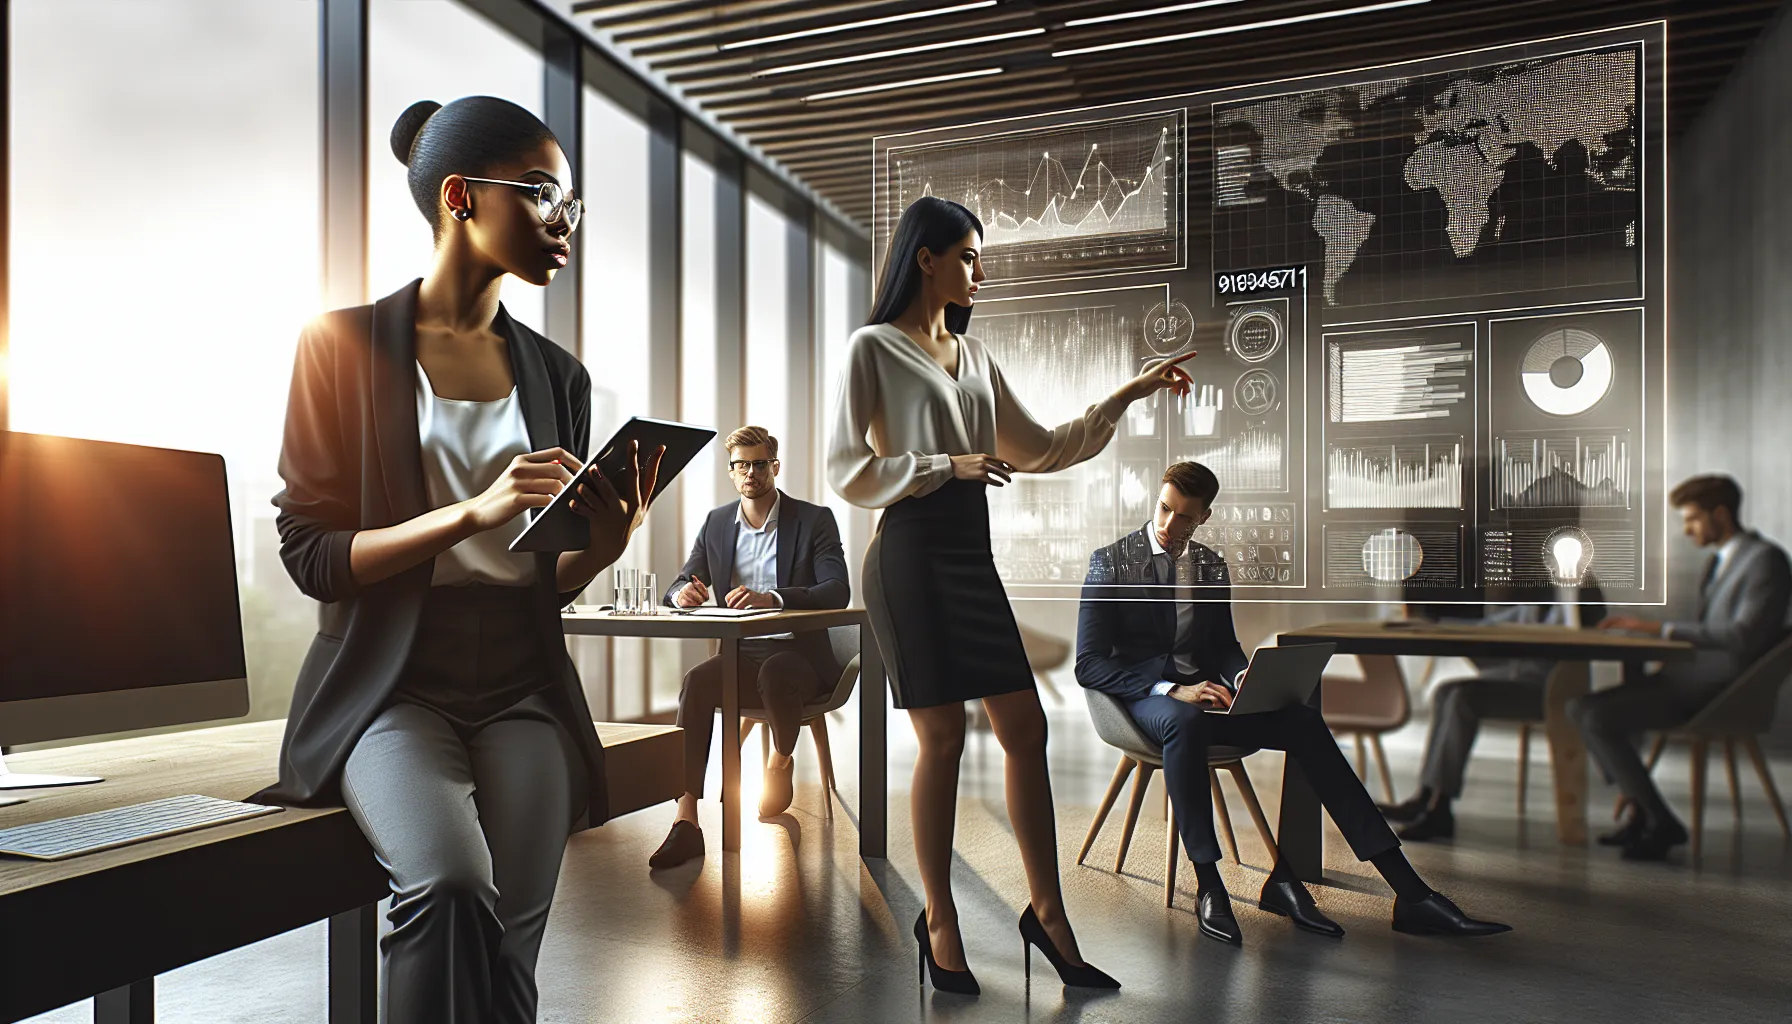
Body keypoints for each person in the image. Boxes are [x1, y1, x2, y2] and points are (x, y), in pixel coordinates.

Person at [260, 97, 663, 1024]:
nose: (563, 219)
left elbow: (543, 580)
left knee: (512, 945)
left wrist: (604, 547)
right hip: (390, 686)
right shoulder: (338, 346)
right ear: (459, 196)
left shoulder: (558, 376)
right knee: (445, 887)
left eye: (571, 202)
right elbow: (313, 556)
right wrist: (470, 512)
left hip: (523, 684)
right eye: (541, 192)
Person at [828, 196, 1194, 993]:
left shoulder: (976, 357)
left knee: (1026, 729)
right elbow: (844, 468)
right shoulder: (872, 349)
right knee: (943, 742)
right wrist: (942, 466)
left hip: (970, 557)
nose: (979, 272)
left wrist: (1127, 395)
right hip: (909, 558)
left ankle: (1048, 916)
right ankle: (940, 922)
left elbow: (1042, 448)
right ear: (926, 258)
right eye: (967, 256)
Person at [1075, 461, 1510, 945]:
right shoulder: (1110, 563)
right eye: (1164, 509)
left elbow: (1222, 646)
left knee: (1301, 720)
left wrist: (1242, 675)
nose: (1168, 524)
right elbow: (1088, 664)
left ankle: (1409, 893)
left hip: (1208, 700)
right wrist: (1170, 690)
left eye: (1184, 517)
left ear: (1204, 517)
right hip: (1146, 705)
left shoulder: (1210, 566)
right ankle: (1209, 887)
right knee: (1184, 721)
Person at [648, 426, 851, 868]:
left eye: (760, 464)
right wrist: (683, 594)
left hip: (799, 656)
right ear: (731, 471)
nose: (751, 473)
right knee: (696, 683)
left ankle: (779, 763)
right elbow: (680, 581)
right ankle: (686, 819)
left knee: (775, 674)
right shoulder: (717, 523)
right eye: (742, 465)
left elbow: (837, 589)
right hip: (741, 655)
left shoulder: (813, 520)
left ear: (774, 466)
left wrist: (772, 598)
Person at [1578, 474, 1792, 860]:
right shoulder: (1718, 562)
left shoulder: (1766, 560)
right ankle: (1640, 806)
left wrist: (1659, 630)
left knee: (1593, 713)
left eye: (1692, 519)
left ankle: (1658, 820)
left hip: (1721, 692)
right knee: (1587, 707)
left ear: (1720, 514)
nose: (1687, 530)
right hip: (1690, 678)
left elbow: (1743, 635)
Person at [1381, 595, 1606, 842]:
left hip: (1549, 692)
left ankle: (1440, 805)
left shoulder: (1571, 608)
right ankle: (1425, 796)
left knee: (1463, 698)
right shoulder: (1530, 609)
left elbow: (1591, 622)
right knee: (1445, 692)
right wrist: (1432, 624)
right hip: (1515, 683)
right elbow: (1483, 628)